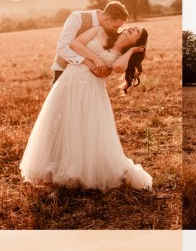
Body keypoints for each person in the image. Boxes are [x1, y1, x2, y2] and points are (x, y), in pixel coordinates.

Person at [20, 20, 152, 191]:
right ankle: (52, 167)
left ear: (136, 42)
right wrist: (94, 59)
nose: (133, 28)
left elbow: (119, 68)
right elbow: (75, 44)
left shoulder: (121, 54)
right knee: (58, 122)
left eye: (137, 32)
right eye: (134, 27)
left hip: (91, 91)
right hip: (69, 81)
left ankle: (76, 171)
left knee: (81, 127)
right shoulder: (99, 31)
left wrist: (132, 52)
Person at [50, 1, 128, 86]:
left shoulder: (109, 28)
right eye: (115, 27)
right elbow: (62, 48)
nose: (116, 30)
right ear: (106, 19)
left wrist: (107, 70)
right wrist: (89, 61)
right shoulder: (77, 17)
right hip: (64, 72)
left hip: (91, 80)